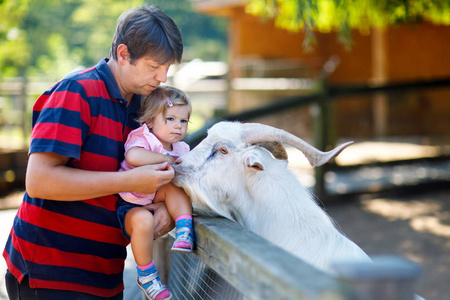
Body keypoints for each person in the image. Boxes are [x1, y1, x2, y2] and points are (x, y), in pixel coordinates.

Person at [3, 5, 183, 299]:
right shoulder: (77, 93)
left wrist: (168, 207)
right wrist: (128, 181)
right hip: (50, 273)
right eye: (153, 66)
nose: (162, 77)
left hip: (105, 274)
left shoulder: (145, 108)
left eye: (167, 68)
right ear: (124, 54)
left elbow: (169, 163)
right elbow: (39, 181)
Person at [117, 85, 194, 300]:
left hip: (157, 194)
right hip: (131, 202)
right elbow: (133, 157)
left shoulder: (181, 149)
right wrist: (167, 160)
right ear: (150, 121)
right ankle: (146, 275)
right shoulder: (143, 138)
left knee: (174, 189)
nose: (178, 126)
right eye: (170, 119)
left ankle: (184, 227)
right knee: (143, 221)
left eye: (183, 121)